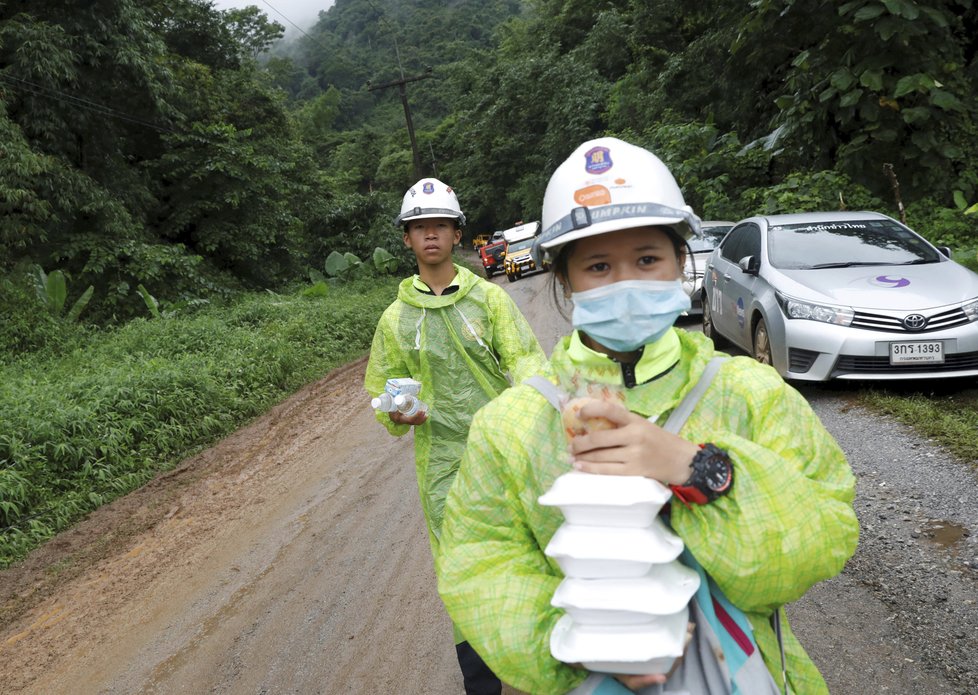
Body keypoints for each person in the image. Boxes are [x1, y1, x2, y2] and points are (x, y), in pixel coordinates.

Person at [436, 138, 859, 694]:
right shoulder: (513, 425)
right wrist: (584, 648)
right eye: (599, 265)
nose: (626, 283)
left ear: (681, 261)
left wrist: (699, 468)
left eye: (647, 259)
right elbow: (480, 566)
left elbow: (816, 546)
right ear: (564, 279)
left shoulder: (748, 393)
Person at [364, 177, 548, 695]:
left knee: (525, 549)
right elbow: (383, 387)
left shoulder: (489, 301)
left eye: (439, 225)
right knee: (462, 566)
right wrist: (398, 415)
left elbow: (527, 361)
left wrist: (535, 412)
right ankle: (482, 682)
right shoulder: (396, 318)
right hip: (442, 465)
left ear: (457, 234)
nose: (430, 235)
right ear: (407, 238)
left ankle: (539, 658)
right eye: (419, 227)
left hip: (503, 453)